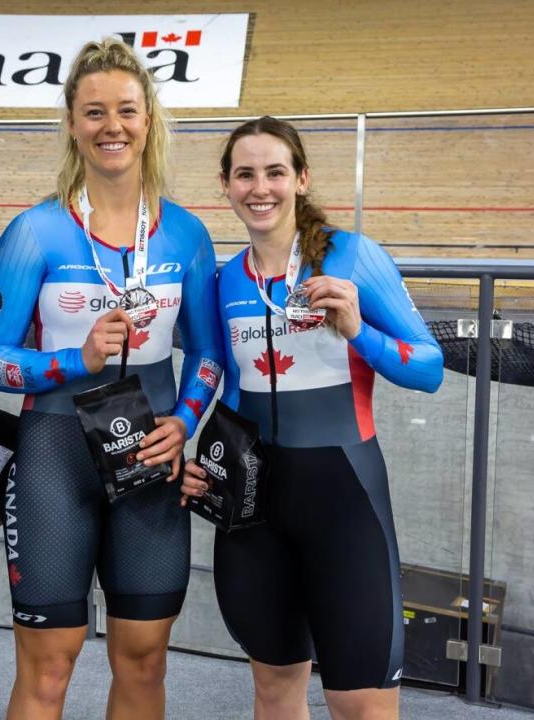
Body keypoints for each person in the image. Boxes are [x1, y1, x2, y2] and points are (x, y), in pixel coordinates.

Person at [0, 38, 223, 720]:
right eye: (94, 112)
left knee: (143, 660)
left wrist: (183, 422)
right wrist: (70, 363)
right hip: (54, 453)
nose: (111, 126)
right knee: (50, 665)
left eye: (126, 110)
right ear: (71, 124)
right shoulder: (36, 233)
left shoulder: (186, 236)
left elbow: (207, 356)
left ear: (150, 120)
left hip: (151, 455)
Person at [181, 117, 444, 720]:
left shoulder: (353, 257)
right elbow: (213, 373)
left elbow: (428, 369)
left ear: (301, 179)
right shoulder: (224, 281)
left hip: (344, 498)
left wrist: (357, 332)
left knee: (361, 704)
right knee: (274, 692)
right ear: (225, 185)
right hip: (253, 510)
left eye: (275, 172)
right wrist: (190, 444)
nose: (260, 188)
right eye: (244, 174)